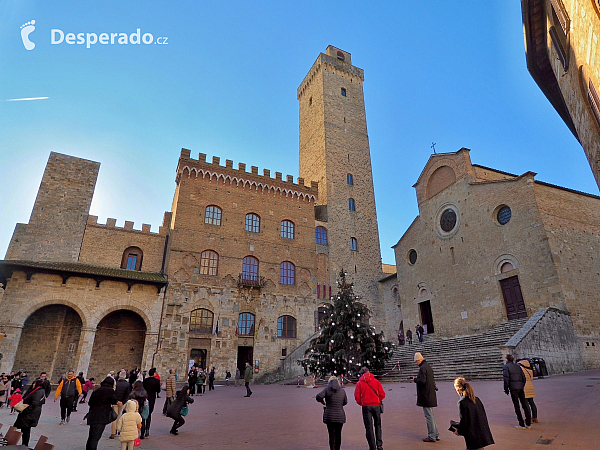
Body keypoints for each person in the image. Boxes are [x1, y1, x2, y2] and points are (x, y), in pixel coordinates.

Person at [451, 377, 494, 449]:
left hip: (472, 436)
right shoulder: (476, 399)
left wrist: (459, 431)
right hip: (480, 432)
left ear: (458, 388)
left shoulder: (462, 402)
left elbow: (464, 421)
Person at [354, 367, 385, 450]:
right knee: (378, 425)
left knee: (368, 427)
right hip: (376, 405)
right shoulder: (376, 381)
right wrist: (378, 400)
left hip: (366, 406)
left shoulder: (359, 383)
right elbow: (382, 394)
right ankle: (379, 444)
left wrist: (362, 403)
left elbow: (357, 397)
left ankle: (372, 447)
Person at [412, 352, 439, 442]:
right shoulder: (428, 367)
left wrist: (415, 379)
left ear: (419, 360)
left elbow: (422, 381)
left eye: (416, 361)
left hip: (426, 395)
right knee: (431, 415)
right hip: (430, 394)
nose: (416, 363)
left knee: (429, 416)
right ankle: (436, 434)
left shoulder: (422, 368)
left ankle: (432, 435)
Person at [86, 377, 118, 450]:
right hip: (102, 416)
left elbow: (90, 403)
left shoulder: (96, 390)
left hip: (93, 415)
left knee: (91, 436)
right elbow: (113, 400)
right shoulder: (110, 391)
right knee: (96, 437)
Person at [316, 375, 347, 450]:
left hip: (329, 415)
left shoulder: (327, 390)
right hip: (340, 415)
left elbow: (318, 397)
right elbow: (345, 402)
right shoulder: (342, 390)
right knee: (338, 434)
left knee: (331, 435)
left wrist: (323, 402)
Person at [13, 378, 45, 447]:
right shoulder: (35, 391)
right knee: (24, 430)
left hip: (29, 415)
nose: (33, 385)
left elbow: (34, 405)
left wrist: (24, 410)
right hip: (28, 414)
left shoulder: (38, 392)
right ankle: (24, 444)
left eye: (34, 383)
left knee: (26, 430)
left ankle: (25, 445)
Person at [503, 354, 531, 429]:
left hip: (513, 388)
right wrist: (522, 385)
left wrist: (506, 389)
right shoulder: (518, 366)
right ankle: (528, 423)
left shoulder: (506, 367)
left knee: (517, 406)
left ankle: (521, 423)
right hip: (520, 388)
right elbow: (523, 377)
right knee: (525, 404)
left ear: (507, 359)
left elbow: (506, 379)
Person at [110, 371, 132, 438]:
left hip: (115, 402)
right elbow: (127, 394)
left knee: (114, 416)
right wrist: (123, 401)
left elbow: (112, 392)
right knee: (119, 415)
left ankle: (113, 432)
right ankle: (119, 429)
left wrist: (116, 401)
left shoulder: (115, 383)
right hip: (122, 402)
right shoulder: (127, 384)